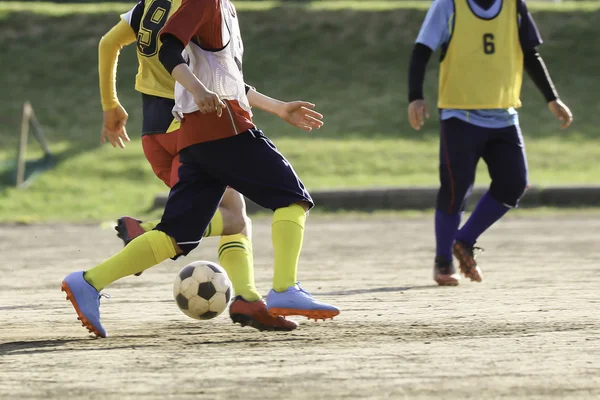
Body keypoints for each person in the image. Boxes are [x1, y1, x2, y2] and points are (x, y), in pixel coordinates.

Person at [62, 0, 339, 338]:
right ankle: (283, 288)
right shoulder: (204, 1)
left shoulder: (211, 6)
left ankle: (89, 281)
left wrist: (278, 107)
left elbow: (224, 75)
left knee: (177, 235)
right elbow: (170, 51)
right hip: (220, 127)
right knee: (290, 199)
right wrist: (198, 89)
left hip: (190, 135)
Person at [407, 0, 573, 286]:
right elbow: (421, 51)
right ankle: (444, 262)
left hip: (504, 116)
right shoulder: (449, 5)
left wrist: (552, 98)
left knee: (514, 184)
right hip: (460, 114)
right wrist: (415, 97)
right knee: (455, 188)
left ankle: (463, 240)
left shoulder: (513, 5)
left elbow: (529, 53)